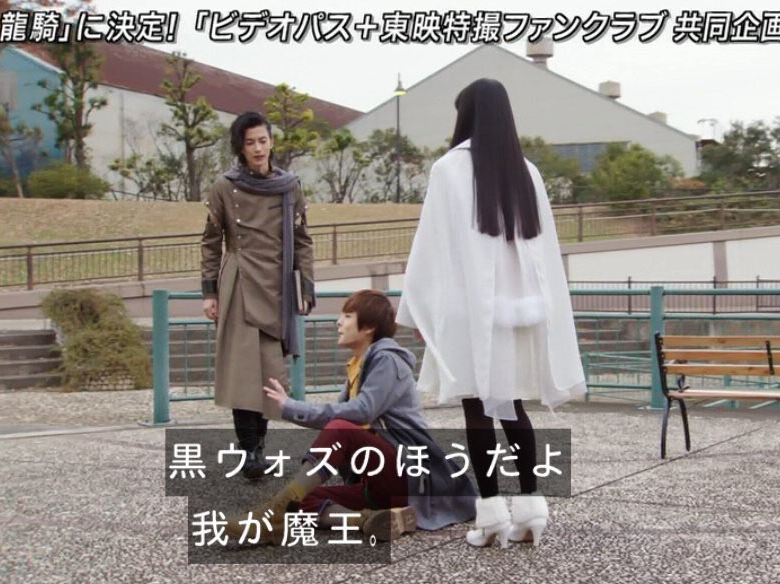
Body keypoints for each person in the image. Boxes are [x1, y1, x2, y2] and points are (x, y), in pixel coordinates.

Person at [396, 78, 587, 548]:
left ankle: (491, 514)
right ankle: (530, 506)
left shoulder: (448, 169)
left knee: (477, 411)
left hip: (469, 311)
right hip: (520, 313)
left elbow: (432, 247)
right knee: (513, 406)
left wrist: (422, 312)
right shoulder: (527, 171)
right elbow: (543, 250)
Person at [225, 289, 477, 543]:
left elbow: (361, 412)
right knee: (304, 499)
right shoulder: (359, 365)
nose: (338, 322)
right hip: (376, 485)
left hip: (408, 477)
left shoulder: (389, 361)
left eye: (347, 316)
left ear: (368, 327)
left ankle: (273, 512)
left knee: (340, 428)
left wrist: (292, 407)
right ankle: (367, 520)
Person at [200, 111, 316, 480]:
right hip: (238, 283)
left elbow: (302, 240)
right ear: (240, 147)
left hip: (277, 284)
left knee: (269, 371)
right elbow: (211, 241)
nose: (258, 148)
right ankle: (249, 451)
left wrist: (305, 287)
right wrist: (210, 292)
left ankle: (260, 446)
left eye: (262, 140)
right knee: (242, 371)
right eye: (250, 142)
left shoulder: (289, 186)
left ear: (271, 142)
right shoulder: (224, 187)